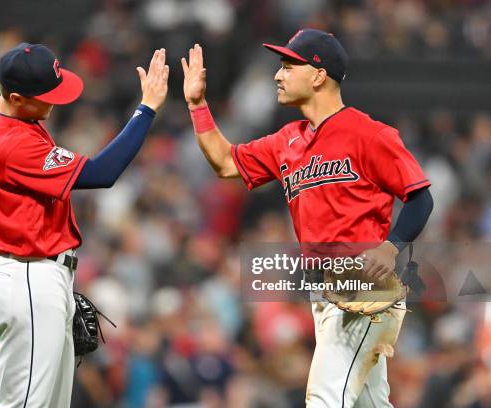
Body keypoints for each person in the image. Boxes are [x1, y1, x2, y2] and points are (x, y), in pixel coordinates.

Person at [181, 29, 434, 407]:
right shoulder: (287, 140)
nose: (277, 76)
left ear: (318, 75)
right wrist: (198, 104)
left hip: (361, 284)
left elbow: (420, 198)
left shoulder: (369, 134)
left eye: (287, 66)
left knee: (324, 398)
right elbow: (225, 161)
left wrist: (391, 247)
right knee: (369, 402)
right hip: (322, 289)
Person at [0, 43, 168, 407]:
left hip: (38, 274)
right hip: (29, 277)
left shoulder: (1, 113)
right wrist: (146, 110)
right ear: (15, 96)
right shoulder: (12, 141)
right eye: (47, 94)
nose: (56, 101)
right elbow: (102, 173)